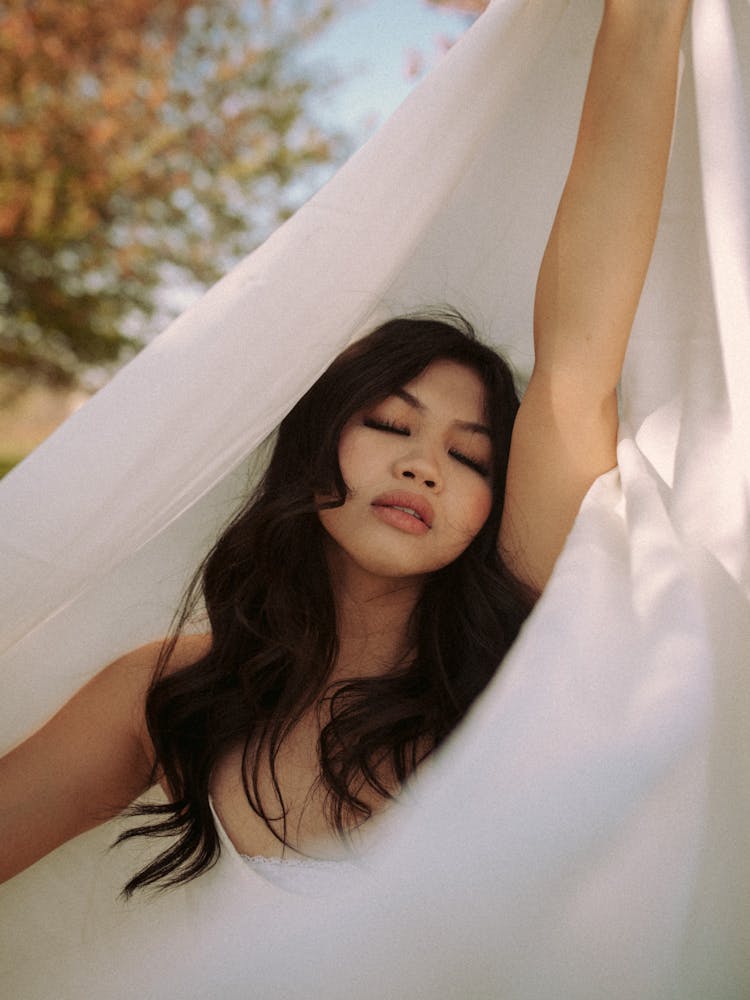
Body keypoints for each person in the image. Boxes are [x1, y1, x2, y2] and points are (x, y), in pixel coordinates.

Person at [0, 0, 691, 894]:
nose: (422, 465)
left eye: (472, 457)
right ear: (314, 446)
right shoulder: (175, 688)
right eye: (391, 425)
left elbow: (576, 363)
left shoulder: (519, 660)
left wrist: (646, 20)